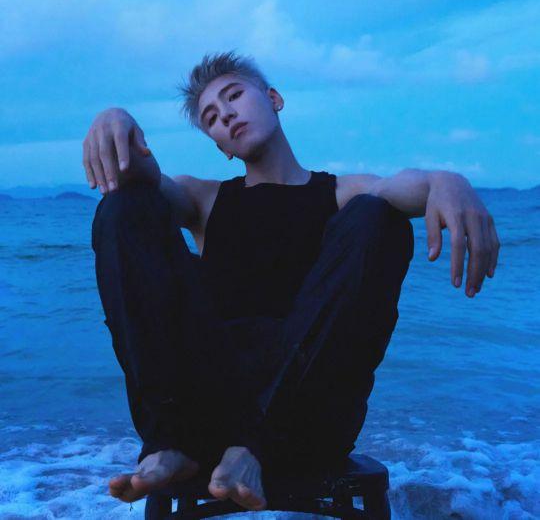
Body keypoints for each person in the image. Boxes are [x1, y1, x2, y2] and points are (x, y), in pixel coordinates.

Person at [84, 51, 500, 511]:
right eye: (212, 118)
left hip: (308, 420)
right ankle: (167, 441)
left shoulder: (340, 192)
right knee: (125, 205)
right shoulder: (204, 199)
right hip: (207, 413)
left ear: (274, 98)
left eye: (234, 95)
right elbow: (145, 178)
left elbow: (398, 187)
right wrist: (116, 119)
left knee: (377, 215)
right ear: (221, 147)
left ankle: (252, 447)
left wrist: (446, 181)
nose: (226, 114)